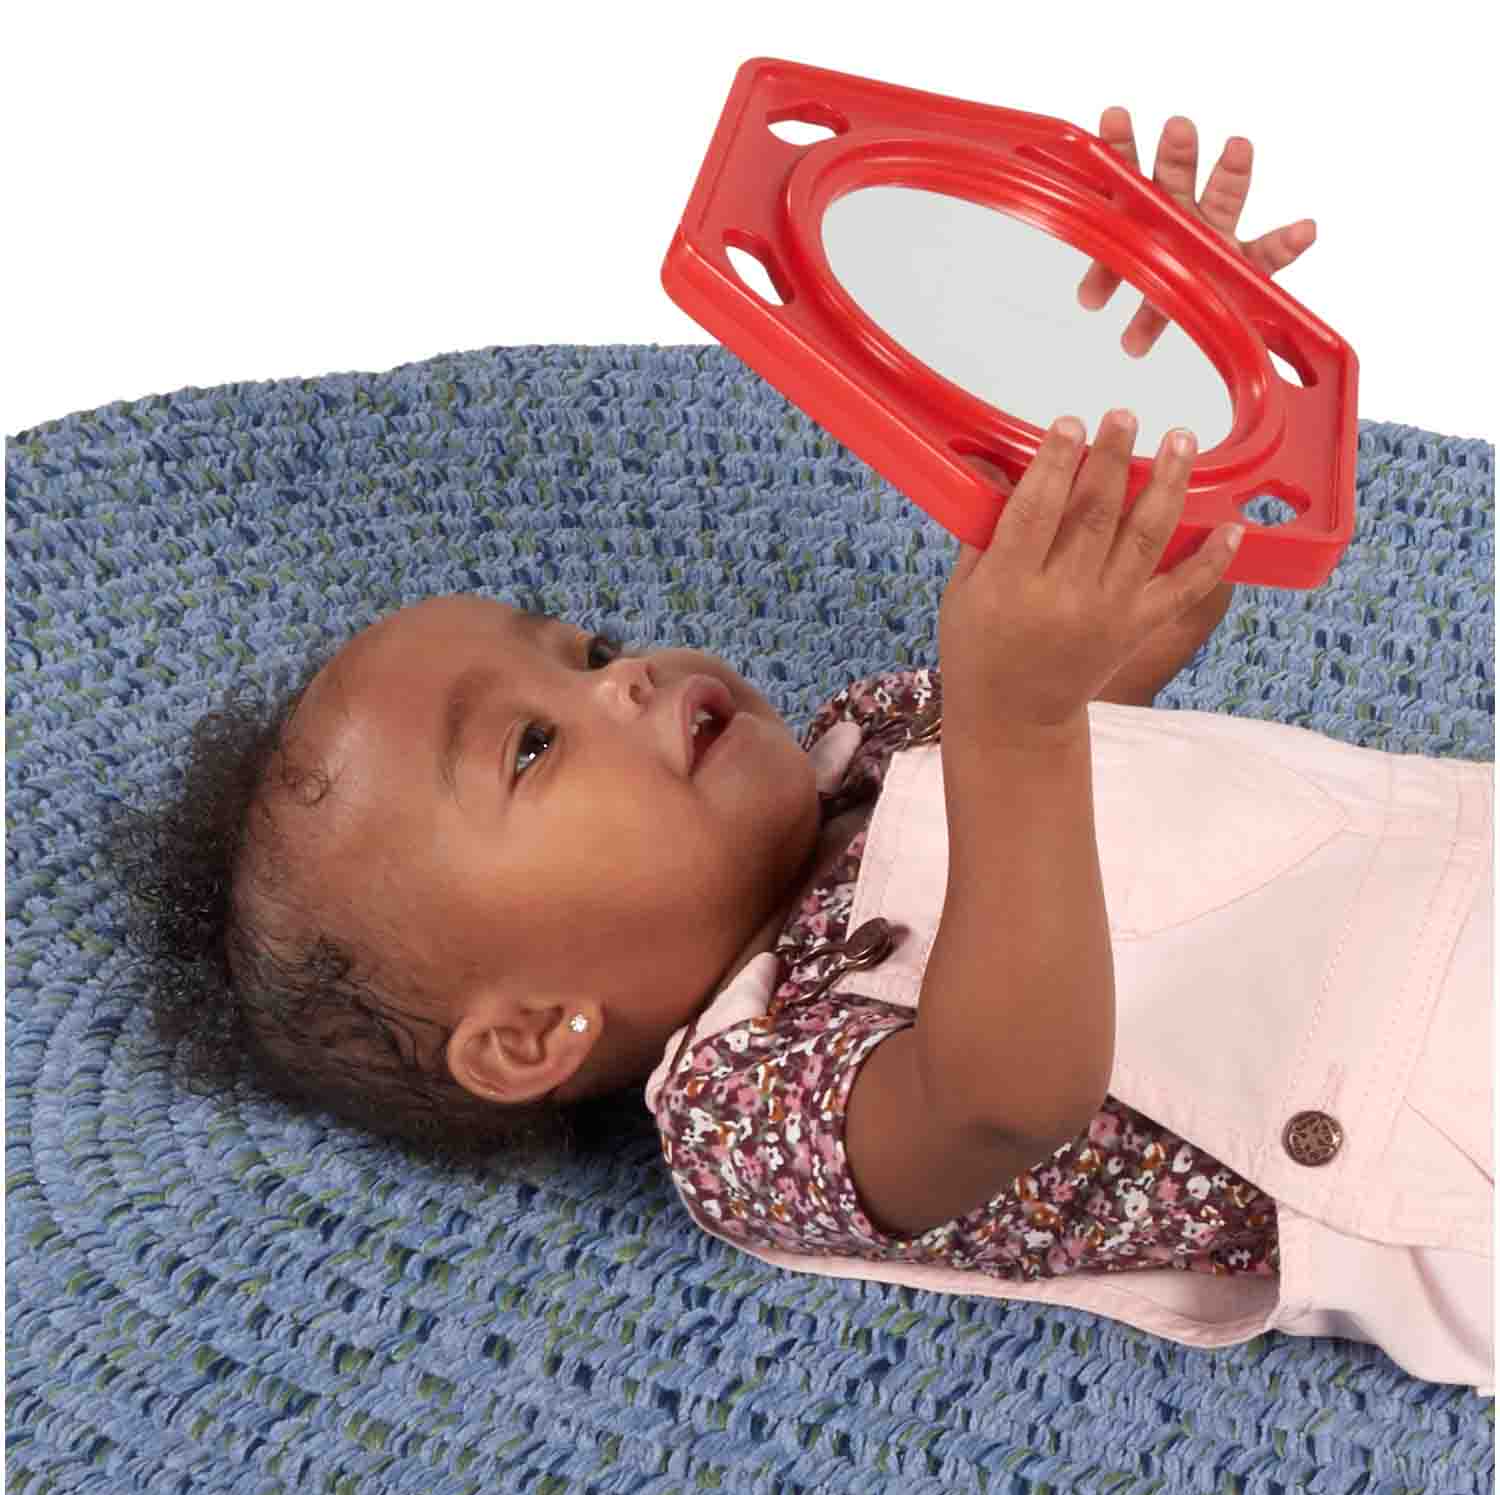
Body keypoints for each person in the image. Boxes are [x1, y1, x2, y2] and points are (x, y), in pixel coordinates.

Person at [105, 112, 1492, 1394]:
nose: (623, 678)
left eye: (585, 649)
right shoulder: (744, 1107)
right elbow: (1004, 1095)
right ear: (533, 1032)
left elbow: (1110, 654)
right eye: (531, 746)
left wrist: (1164, 357)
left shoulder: (869, 739)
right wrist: (1011, 723)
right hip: (1444, 1156)